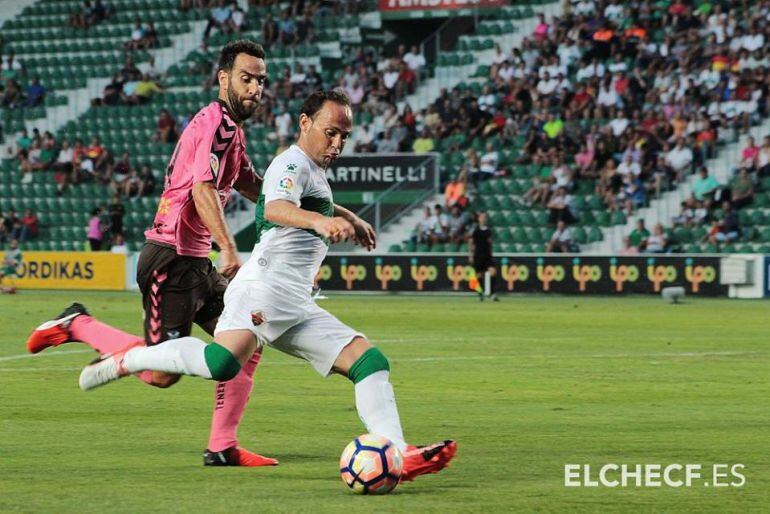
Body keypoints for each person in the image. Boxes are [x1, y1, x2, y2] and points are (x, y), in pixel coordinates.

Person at [77, 90, 457, 481]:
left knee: (370, 363)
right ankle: (128, 360)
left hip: (295, 302)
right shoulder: (290, 162)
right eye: (331, 132)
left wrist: (347, 216)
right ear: (305, 123)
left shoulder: (313, 172)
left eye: (344, 135)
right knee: (221, 363)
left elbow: (300, 203)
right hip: (264, 288)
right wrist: (320, 223)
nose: (338, 143)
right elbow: (275, 206)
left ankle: (397, 452)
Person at [25, 41, 274, 468]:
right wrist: (230, 247)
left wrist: (293, 204)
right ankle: (78, 324)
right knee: (161, 374)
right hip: (171, 259)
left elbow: (249, 181)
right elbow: (202, 188)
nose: (255, 88)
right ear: (223, 78)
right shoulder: (215, 123)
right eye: (246, 78)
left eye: (260, 81)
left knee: (245, 344)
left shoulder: (231, 128)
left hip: (196, 264)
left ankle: (221, 446)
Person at [468, 211, 499, 302]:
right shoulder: (475, 230)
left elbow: (490, 242)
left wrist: (491, 252)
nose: (484, 219)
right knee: (479, 275)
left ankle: (492, 293)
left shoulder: (489, 230)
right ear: (479, 219)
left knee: (493, 272)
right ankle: (481, 293)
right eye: (482, 217)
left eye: (485, 217)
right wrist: (470, 255)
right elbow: (471, 242)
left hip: (487, 255)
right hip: (478, 255)